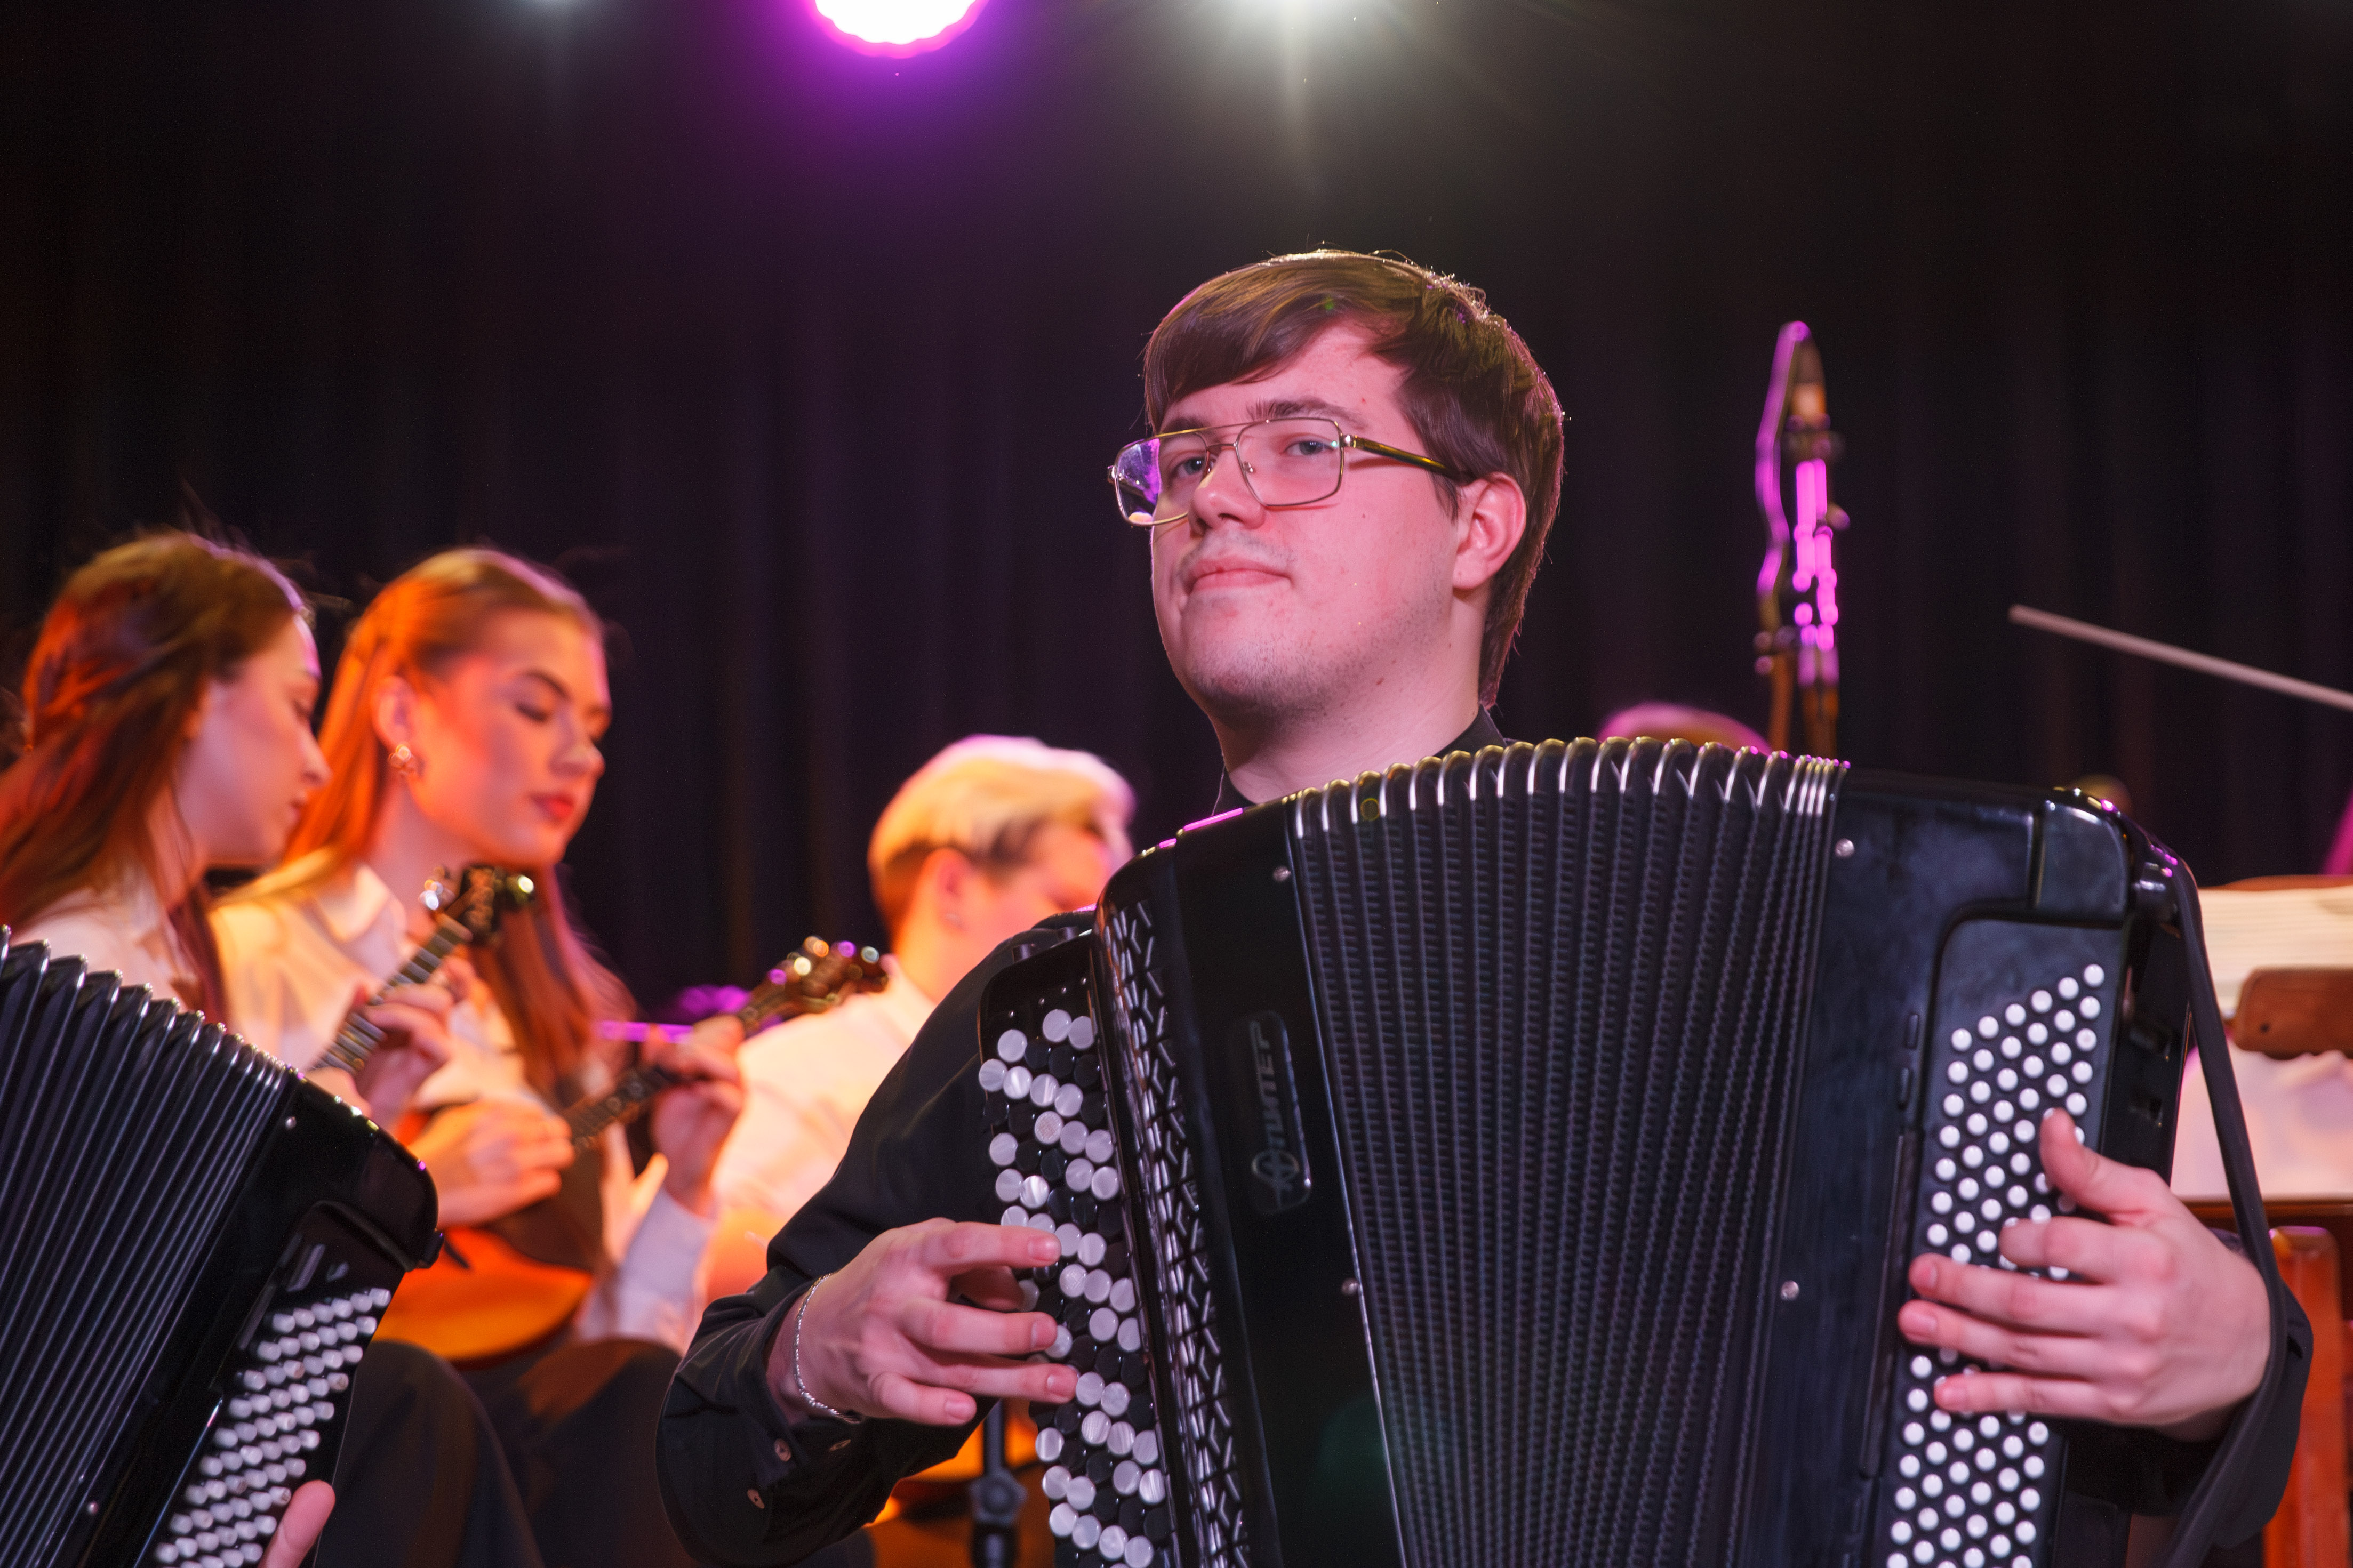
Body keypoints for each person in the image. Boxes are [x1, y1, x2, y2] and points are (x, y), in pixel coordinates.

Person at [656, 252, 2302, 1564]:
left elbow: (2121, 1387)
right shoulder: (1074, 1012)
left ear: (1478, 522)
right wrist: (811, 1353)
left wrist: (2233, 1350)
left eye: (1301, 443)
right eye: (1185, 456)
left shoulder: (1845, 918)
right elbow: (708, 1466)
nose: (1213, 494)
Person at [0, 531, 543, 1568]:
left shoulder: (153, 957)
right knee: (408, 1405)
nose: (316, 759)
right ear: (196, 699)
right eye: (296, 706)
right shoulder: (80, 957)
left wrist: (362, 1110)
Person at [214, 546, 741, 1568]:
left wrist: (683, 1185)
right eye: (535, 709)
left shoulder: (559, 1014)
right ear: (402, 711)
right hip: (347, 1464)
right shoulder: (257, 954)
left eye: (594, 728)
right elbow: (215, 1281)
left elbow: (603, 1359)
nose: (581, 757)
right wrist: (420, 1190)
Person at [703, 735, 1133, 1300]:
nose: (1089, 944)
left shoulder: (1085, 1076)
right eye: (1065, 908)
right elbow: (708, 1268)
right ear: (952, 886)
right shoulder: (797, 1071)